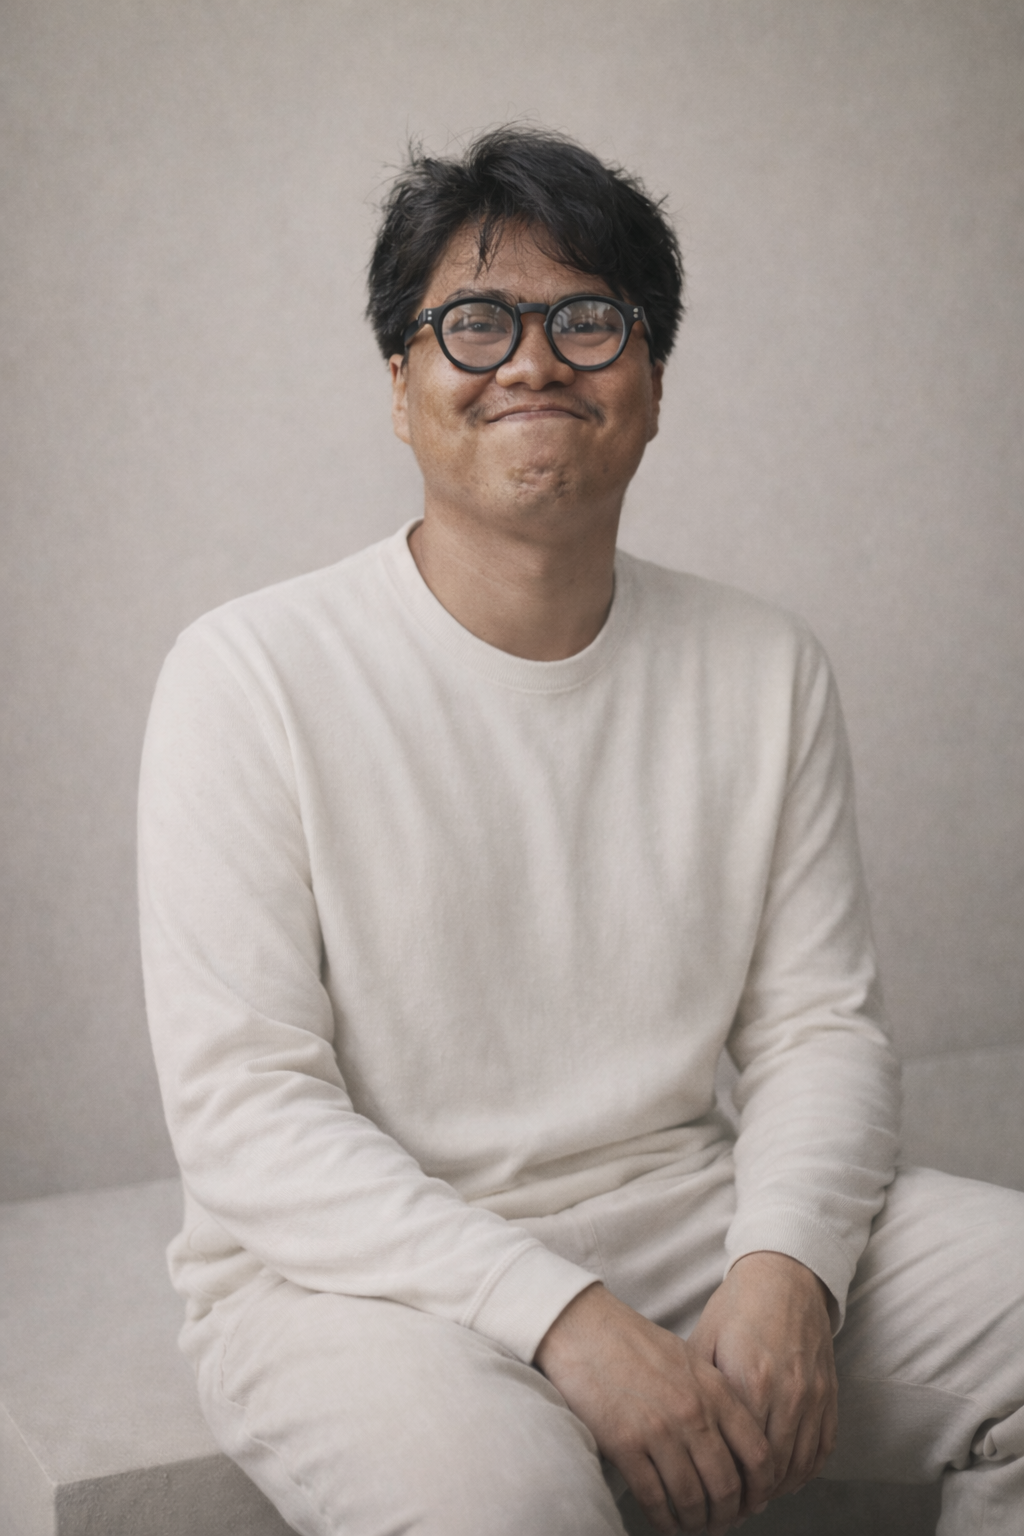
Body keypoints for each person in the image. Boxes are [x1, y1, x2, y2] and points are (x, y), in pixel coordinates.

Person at [138, 127, 1024, 1536]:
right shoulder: (248, 673)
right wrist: (568, 1321)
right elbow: (249, 1114)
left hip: (682, 1208)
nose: (533, 362)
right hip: (352, 1282)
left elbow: (818, 1032)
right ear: (402, 386)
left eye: (589, 320)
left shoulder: (764, 663)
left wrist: (787, 1262)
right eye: (475, 322)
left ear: (655, 384)